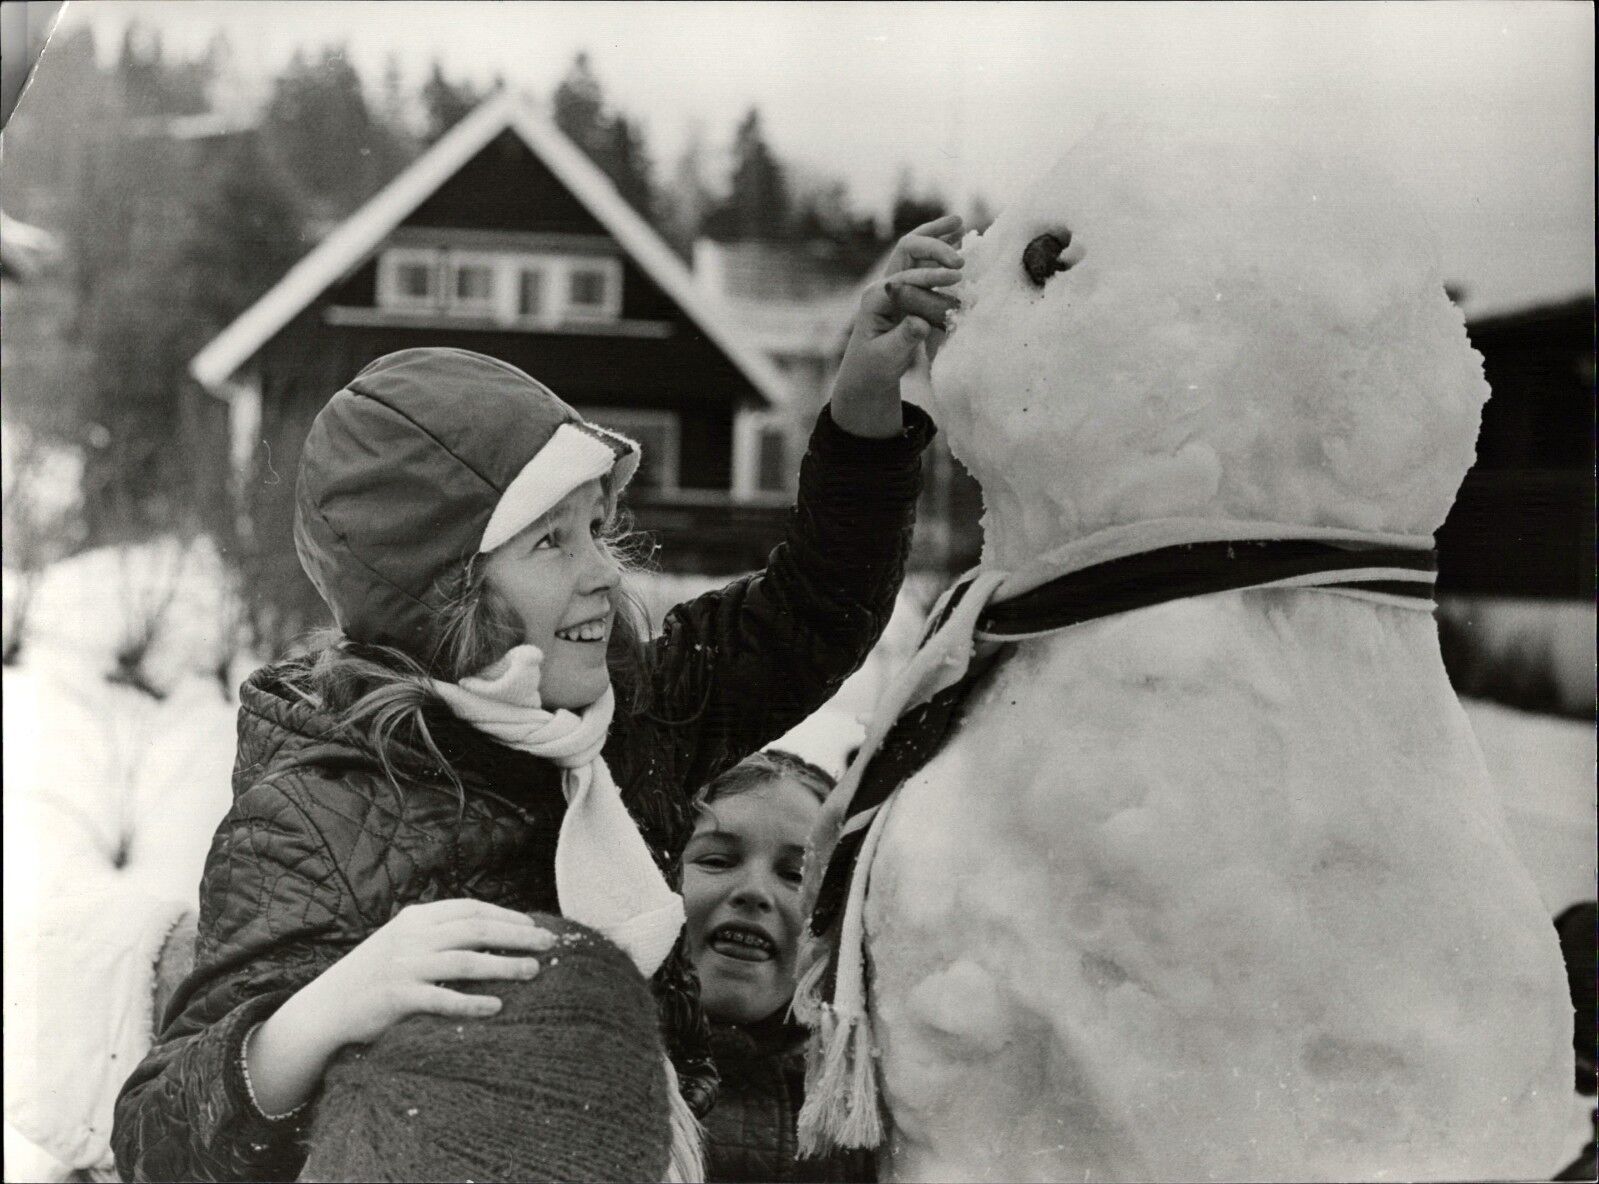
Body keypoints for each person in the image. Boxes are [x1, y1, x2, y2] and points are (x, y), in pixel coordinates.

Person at [109, 215, 962, 1183]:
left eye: (598, 529)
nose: (606, 573)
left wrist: (863, 403)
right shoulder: (317, 809)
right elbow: (158, 1139)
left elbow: (814, 610)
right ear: (448, 586)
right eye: (551, 542)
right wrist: (317, 1015)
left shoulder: (628, 717)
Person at [684, 748, 874, 1183]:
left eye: (795, 875)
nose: (754, 891)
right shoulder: (580, 1065)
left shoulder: (858, 1114)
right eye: (717, 860)